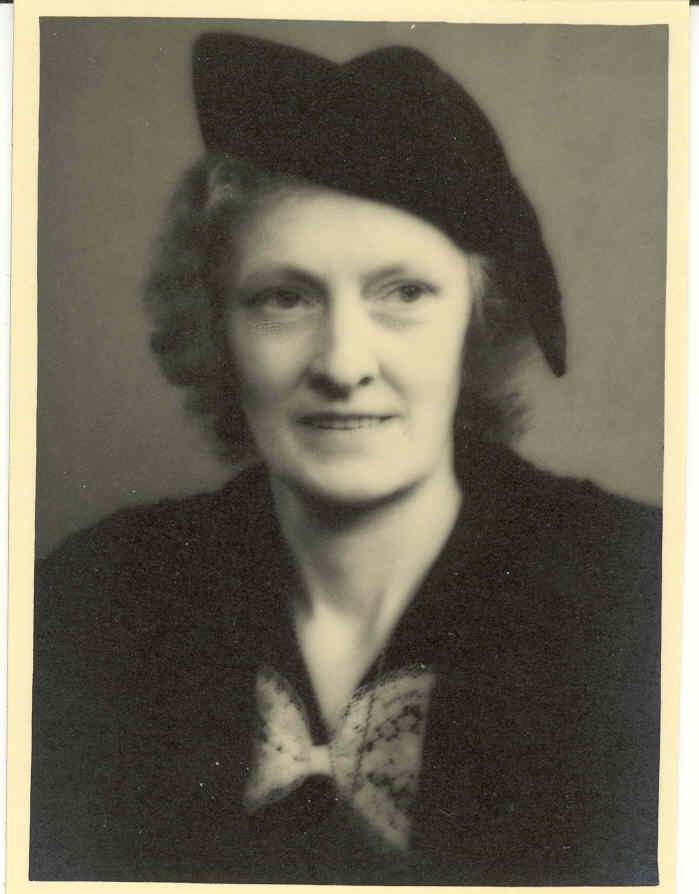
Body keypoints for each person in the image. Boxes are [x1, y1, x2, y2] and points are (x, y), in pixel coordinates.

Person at [29, 32, 661, 885]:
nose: (341, 363)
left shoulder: (643, 595)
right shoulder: (91, 602)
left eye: (403, 293)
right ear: (218, 328)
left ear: (479, 316)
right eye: (284, 299)